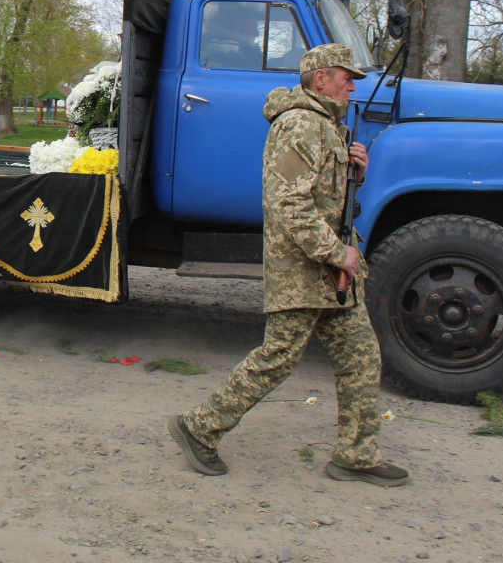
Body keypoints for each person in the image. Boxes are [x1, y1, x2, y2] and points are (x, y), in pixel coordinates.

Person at [168, 44, 408, 488]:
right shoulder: (299, 125)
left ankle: (356, 455)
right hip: (304, 271)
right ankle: (199, 427)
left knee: (362, 359)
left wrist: (357, 172)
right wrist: (340, 255)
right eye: (345, 77)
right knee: (276, 359)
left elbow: (325, 199)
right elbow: (289, 206)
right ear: (320, 79)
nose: (353, 85)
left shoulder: (328, 126)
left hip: (331, 272)